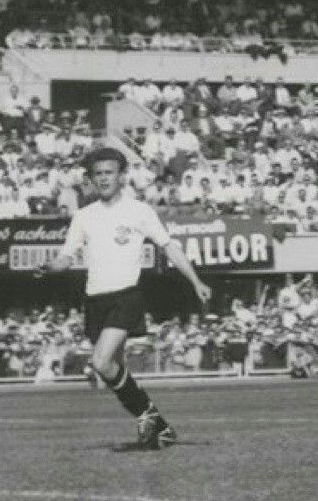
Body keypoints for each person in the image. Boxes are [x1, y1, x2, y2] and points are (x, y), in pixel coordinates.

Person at [40, 147, 212, 450]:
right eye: (98, 174)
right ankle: (159, 426)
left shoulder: (139, 211)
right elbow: (66, 257)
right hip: (95, 300)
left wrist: (195, 280)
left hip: (126, 296)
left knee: (100, 361)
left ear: (121, 176)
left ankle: (148, 416)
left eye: (109, 173)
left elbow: (169, 247)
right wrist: (49, 267)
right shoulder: (83, 216)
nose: (104, 178)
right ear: (90, 179)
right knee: (112, 370)